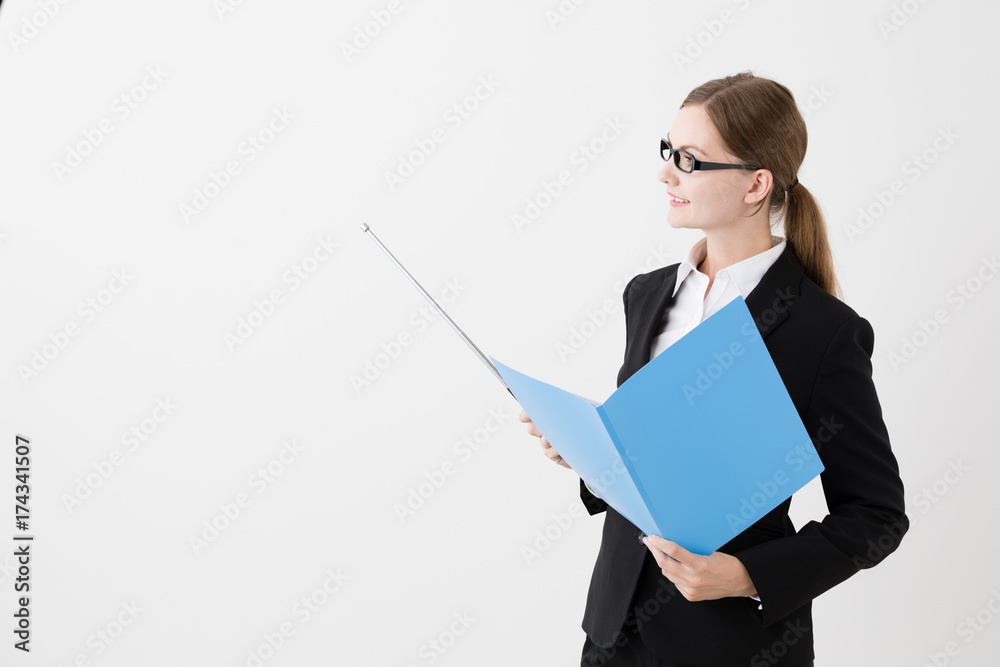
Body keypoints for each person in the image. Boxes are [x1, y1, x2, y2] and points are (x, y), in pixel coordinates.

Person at [518, 71, 908, 666]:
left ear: (756, 184)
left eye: (690, 160)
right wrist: (589, 452)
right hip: (615, 635)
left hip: (731, 645)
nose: (666, 173)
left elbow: (876, 516)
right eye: (667, 151)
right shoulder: (647, 295)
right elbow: (654, 467)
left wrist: (748, 575)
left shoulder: (824, 331)